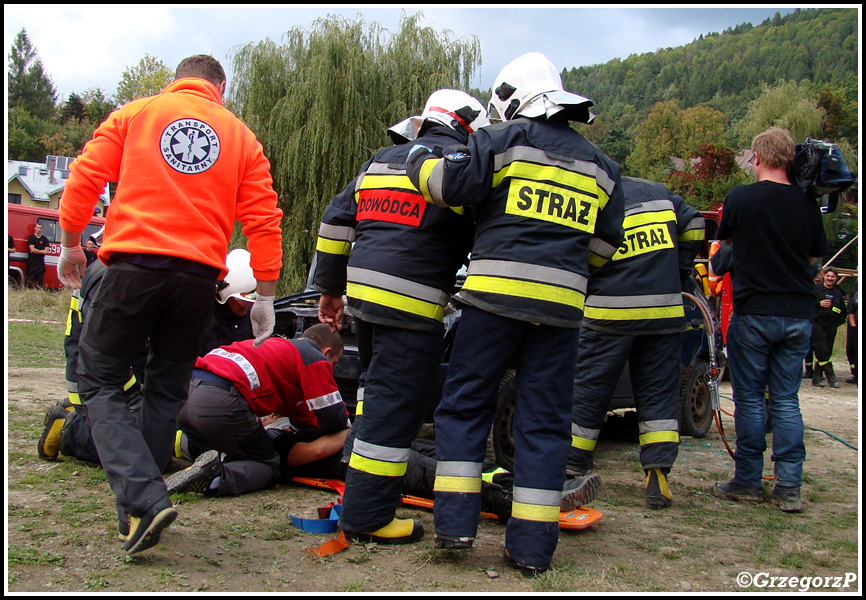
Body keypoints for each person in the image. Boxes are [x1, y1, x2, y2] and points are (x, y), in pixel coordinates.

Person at [55, 53, 284, 555]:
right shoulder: (242, 137)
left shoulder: (135, 114)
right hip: (199, 279)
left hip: (132, 267)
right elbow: (264, 220)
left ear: (176, 81)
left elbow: (85, 176)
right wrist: (264, 295)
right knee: (165, 389)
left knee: (98, 379)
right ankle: (138, 513)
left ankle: (141, 497)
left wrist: (72, 243)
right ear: (220, 87)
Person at [407, 52, 625, 575]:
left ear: (511, 98)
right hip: (562, 313)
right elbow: (603, 247)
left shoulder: (501, 141)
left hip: (492, 305)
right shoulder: (603, 168)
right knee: (546, 423)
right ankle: (530, 549)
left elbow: (446, 185)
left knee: (464, 409)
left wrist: (419, 154)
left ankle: (455, 527)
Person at [314, 89, 486, 545]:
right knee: (395, 411)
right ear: (468, 127)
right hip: (411, 312)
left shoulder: (379, 161)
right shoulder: (461, 169)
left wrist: (330, 290)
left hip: (364, 305)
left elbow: (334, 221)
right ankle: (368, 516)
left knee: (373, 397)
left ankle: (360, 485)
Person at [38, 251, 257, 467]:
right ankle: (70, 428)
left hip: (112, 375)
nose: (246, 307)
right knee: (144, 452)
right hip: (98, 378)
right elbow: (113, 351)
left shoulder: (136, 268)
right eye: (243, 300)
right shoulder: (117, 276)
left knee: (158, 437)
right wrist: (140, 397)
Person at [567, 176, 705, 509]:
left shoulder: (594, 194)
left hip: (609, 313)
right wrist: (680, 268)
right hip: (663, 311)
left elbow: (578, 252)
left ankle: (571, 468)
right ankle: (657, 475)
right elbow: (697, 224)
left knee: (588, 392)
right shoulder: (659, 191)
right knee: (658, 395)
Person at [713, 127, 829, 514]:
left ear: (757, 158)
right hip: (797, 316)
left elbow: (726, 250)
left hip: (753, 312)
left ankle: (747, 481)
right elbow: (813, 260)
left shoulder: (741, 198)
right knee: (785, 400)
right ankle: (789, 487)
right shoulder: (807, 202)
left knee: (748, 399)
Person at [165, 325, 350, 498]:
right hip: (219, 402)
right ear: (326, 352)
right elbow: (333, 418)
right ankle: (214, 477)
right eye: (334, 363)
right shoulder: (313, 357)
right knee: (269, 465)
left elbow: (299, 411)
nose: (331, 369)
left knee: (228, 445)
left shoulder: (275, 348)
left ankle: (163, 463)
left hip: (186, 391)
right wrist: (352, 430)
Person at [809, 266, 847, 388]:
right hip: (817, 324)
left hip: (831, 326)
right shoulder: (816, 289)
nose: (830, 279)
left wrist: (838, 322)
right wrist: (819, 304)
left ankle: (816, 378)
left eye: (833, 277)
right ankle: (831, 378)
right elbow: (806, 303)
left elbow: (843, 311)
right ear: (824, 276)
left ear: (836, 279)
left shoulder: (837, 293)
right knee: (822, 350)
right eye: (828, 276)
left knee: (827, 351)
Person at [26, 223, 50, 288]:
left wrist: (37, 251)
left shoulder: (45, 239)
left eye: (40, 228)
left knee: (40, 283)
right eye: (38, 227)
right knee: (29, 281)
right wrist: (42, 251)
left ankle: (38, 295)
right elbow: (32, 249)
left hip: (41, 263)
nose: (39, 229)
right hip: (32, 263)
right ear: (35, 228)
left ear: (42, 229)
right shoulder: (31, 238)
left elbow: (46, 251)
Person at [845, 282, 857, 385]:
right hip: (855, 328)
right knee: (852, 350)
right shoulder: (856, 294)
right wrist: (853, 326)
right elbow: (851, 312)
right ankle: (856, 374)